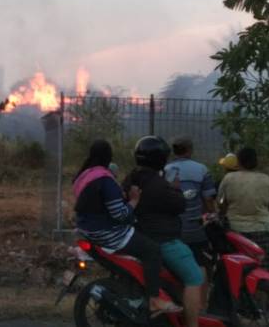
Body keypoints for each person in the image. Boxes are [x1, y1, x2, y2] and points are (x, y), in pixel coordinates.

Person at [73, 139, 182, 316]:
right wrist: (134, 201)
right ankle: (155, 299)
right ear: (109, 158)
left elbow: (94, 204)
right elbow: (120, 214)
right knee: (152, 250)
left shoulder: (84, 175)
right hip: (106, 233)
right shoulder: (105, 179)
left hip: (87, 230)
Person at [122, 136, 203, 327]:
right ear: (161, 159)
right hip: (164, 241)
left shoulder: (131, 178)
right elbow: (181, 204)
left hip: (139, 237)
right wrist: (175, 189)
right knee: (195, 277)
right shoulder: (158, 184)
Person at [163, 136, 217, 306]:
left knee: (176, 267)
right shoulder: (202, 170)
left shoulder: (165, 170)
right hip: (195, 229)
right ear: (189, 150)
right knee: (200, 264)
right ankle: (200, 306)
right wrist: (212, 214)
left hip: (173, 230)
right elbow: (209, 199)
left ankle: (180, 303)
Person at [218, 147, 269, 270]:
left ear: (239, 161)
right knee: (264, 268)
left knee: (238, 269)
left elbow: (221, 203)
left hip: (235, 231)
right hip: (262, 230)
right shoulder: (266, 179)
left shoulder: (228, 179)